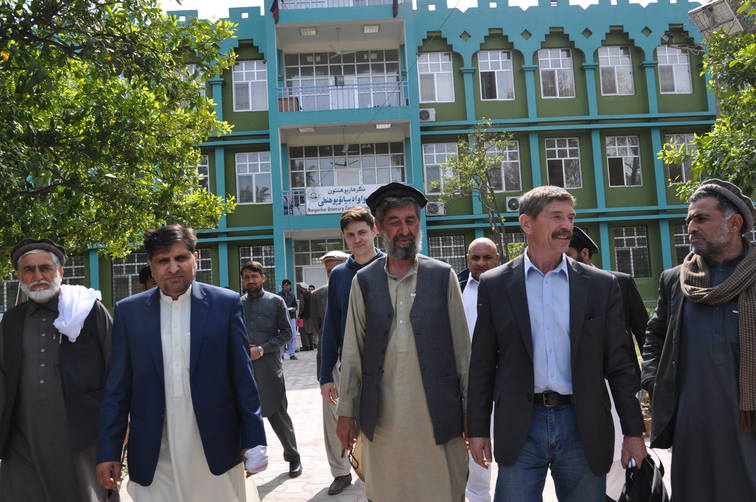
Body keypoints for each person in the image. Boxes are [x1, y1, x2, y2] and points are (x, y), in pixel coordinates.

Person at [467, 186, 647, 502]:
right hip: (521, 425)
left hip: (582, 424)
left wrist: (633, 432)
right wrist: (478, 429)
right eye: (556, 217)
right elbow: (482, 363)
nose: (567, 226)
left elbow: (619, 365)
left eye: (570, 218)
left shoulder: (600, 285)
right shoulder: (496, 284)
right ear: (527, 223)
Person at [96, 225, 267, 501]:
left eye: (180, 258)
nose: (173, 267)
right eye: (163, 260)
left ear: (195, 259)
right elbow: (117, 389)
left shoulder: (224, 304)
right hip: (154, 452)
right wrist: (108, 451)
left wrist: (254, 439)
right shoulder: (129, 312)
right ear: (151, 266)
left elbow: (243, 378)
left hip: (214, 448)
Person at [336, 182, 471, 502]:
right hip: (383, 421)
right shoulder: (364, 281)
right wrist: (346, 412)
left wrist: (471, 410)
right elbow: (353, 352)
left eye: (411, 221)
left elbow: (463, 351)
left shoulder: (442, 275)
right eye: (395, 222)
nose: (404, 230)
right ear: (380, 227)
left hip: (438, 416)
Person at [642, 179, 756, 501]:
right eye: (689, 219)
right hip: (692, 423)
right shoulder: (676, 280)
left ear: (735, 223)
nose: (691, 227)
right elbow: (655, 337)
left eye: (702, 218)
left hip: (747, 422)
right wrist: (655, 382)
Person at [0, 239, 115, 501]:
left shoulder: (86, 311)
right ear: (19, 277)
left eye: (45, 268)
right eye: (28, 270)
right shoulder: (12, 320)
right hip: (23, 437)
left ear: (60, 272)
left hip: (81, 433)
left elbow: (115, 368)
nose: (37, 276)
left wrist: (121, 424)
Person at [566, 226, 649, 501]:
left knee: (617, 459)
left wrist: (649, 383)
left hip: (616, 388)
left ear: (584, 253)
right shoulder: (555, 286)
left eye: (568, 254)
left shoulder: (618, 282)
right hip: (576, 391)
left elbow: (644, 333)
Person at [319, 206, 384, 495]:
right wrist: (325, 376)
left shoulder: (391, 266)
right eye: (350, 235)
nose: (357, 239)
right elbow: (331, 327)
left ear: (375, 231)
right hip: (349, 365)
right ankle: (343, 472)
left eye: (362, 233)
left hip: (387, 366)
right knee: (343, 424)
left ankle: (382, 484)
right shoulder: (339, 276)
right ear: (344, 238)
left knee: (382, 429)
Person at [240, 261, 303, 478]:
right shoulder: (238, 304)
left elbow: (286, 333)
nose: (250, 281)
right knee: (243, 416)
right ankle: (248, 462)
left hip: (269, 368)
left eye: (254, 276)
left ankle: (293, 457)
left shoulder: (276, 302)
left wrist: (261, 349)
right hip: (244, 369)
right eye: (246, 277)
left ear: (263, 278)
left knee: (278, 414)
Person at [458, 237, 500, 502]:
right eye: (475, 258)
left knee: (506, 444)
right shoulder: (456, 288)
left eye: (487, 258)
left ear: (498, 258)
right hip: (468, 381)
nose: (481, 263)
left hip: (504, 380)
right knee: (474, 440)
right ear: (468, 260)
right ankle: (478, 497)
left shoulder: (511, 286)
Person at [309, 250, 351, 495]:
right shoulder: (318, 295)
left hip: (362, 364)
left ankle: (370, 467)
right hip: (331, 365)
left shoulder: (361, 285)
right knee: (333, 419)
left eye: (336, 269)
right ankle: (341, 472)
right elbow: (317, 328)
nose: (333, 274)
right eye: (328, 270)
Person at [278, 279, 298, 360]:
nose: (288, 287)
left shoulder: (292, 295)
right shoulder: (278, 295)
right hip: (282, 318)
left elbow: (295, 305)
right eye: (286, 285)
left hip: (291, 317)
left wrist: (295, 308)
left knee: (293, 335)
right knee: (282, 335)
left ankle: (292, 353)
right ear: (283, 286)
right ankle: (281, 354)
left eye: (289, 285)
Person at [297, 282, 314, 351]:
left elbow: (302, 306)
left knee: (302, 331)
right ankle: (311, 345)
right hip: (311, 315)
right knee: (310, 331)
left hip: (303, 316)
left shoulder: (302, 295)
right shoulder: (311, 294)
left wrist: (299, 315)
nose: (299, 289)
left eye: (300, 287)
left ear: (302, 288)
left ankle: (306, 346)